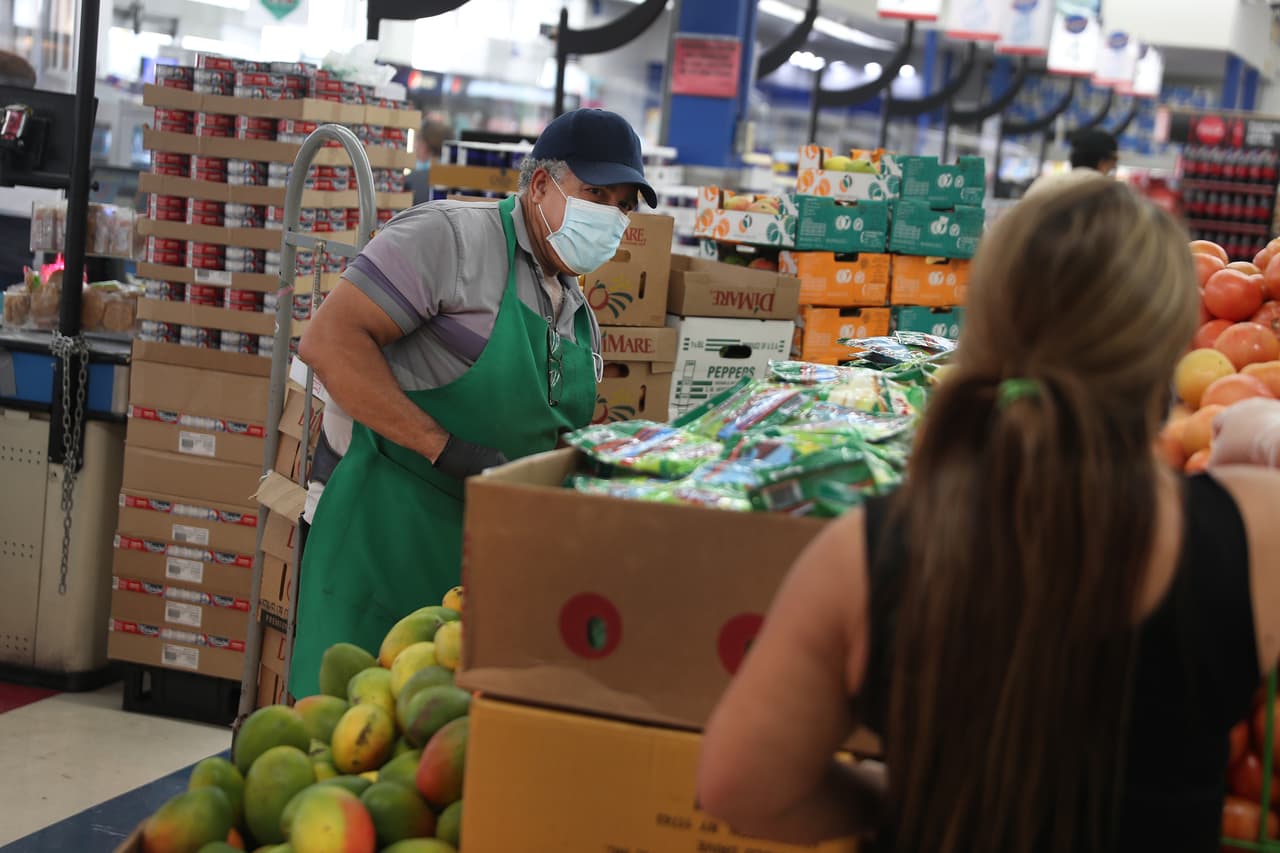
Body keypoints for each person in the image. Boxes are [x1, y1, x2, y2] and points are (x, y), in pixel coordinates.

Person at [697, 178, 1280, 853]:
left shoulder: (864, 551)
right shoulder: (1255, 531)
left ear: (985, 320)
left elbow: (739, 786)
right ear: (1177, 341)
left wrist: (888, 797)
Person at [288, 108, 655, 698]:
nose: (612, 216)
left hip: (477, 573)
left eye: (624, 205)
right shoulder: (450, 239)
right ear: (541, 185)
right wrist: (444, 447)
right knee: (349, 719)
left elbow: (554, 435)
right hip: (383, 534)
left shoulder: (579, 315)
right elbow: (329, 341)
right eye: (597, 194)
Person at [1024, 128, 1119, 198]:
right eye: (1114, 162)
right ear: (1103, 163)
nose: (1114, 166)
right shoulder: (1105, 195)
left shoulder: (1041, 185)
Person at [406, 118, 451, 205]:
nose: (415, 146)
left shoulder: (411, 181)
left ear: (424, 146)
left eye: (417, 141)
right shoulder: (456, 179)